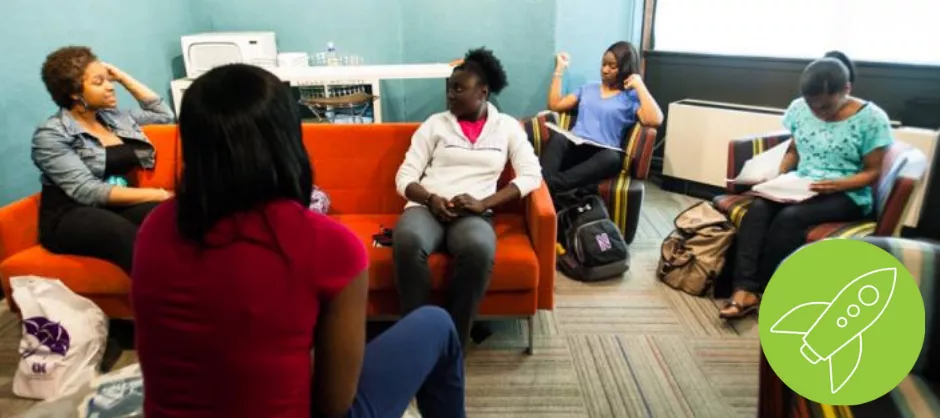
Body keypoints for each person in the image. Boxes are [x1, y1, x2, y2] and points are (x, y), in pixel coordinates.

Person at [132, 64, 466, 418]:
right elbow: (333, 406)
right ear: (288, 139)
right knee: (437, 324)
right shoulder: (330, 245)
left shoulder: (154, 227)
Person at [719, 51, 893, 319]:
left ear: (846, 89)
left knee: (790, 218)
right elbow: (794, 150)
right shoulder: (799, 109)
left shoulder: (872, 119)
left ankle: (763, 287)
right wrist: (777, 173)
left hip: (847, 193)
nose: (818, 113)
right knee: (758, 209)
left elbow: (873, 172)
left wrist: (837, 184)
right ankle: (743, 288)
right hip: (801, 185)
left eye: (826, 106)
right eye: (812, 106)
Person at [393, 48, 542, 347]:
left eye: (459, 89)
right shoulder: (435, 124)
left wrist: (484, 203)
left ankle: (452, 341)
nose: (450, 95)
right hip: (427, 207)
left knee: (479, 248)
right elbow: (404, 177)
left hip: (473, 213)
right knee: (407, 240)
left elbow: (531, 175)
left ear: (483, 92)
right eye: (449, 89)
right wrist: (430, 198)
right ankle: (417, 338)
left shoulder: (507, 127)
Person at [32, 46, 174, 274]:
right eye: (99, 82)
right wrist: (160, 194)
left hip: (114, 206)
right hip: (70, 215)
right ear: (74, 93)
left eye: (109, 80)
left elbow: (164, 115)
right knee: (123, 234)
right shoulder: (52, 134)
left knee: (173, 216)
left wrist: (123, 78)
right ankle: (162, 294)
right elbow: (87, 191)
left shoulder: (113, 118)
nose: (110, 86)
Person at [542, 41, 663, 203]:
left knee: (612, 158)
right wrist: (559, 69)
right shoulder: (588, 88)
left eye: (612, 66)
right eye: (603, 64)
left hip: (602, 155)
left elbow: (655, 119)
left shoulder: (630, 97)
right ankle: (550, 188)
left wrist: (639, 86)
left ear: (625, 68)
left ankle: (544, 188)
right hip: (576, 147)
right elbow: (555, 105)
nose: (605, 70)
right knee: (558, 138)